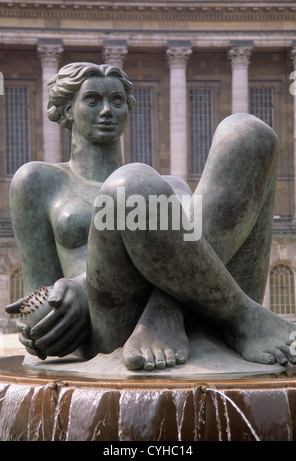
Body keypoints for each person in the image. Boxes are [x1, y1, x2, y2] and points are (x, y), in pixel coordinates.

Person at [6, 62, 296, 371]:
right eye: (92, 100)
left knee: (249, 133)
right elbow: (33, 297)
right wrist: (43, 312)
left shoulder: (167, 186)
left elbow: (193, 248)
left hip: (203, 305)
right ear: (66, 110)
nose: (107, 110)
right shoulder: (37, 181)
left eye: (117, 101)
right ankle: (239, 315)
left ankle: (166, 314)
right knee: (130, 184)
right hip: (111, 316)